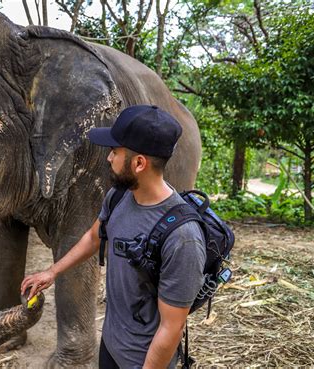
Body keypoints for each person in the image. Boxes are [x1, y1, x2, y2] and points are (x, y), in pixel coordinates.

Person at [21, 105, 206, 369]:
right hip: (110, 345)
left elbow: (171, 328)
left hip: (142, 361)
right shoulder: (119, 196)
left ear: (139, 163)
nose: (108, 158)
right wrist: (52, 272)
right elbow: (95, 236)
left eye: (115, 152)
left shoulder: (182, 238)